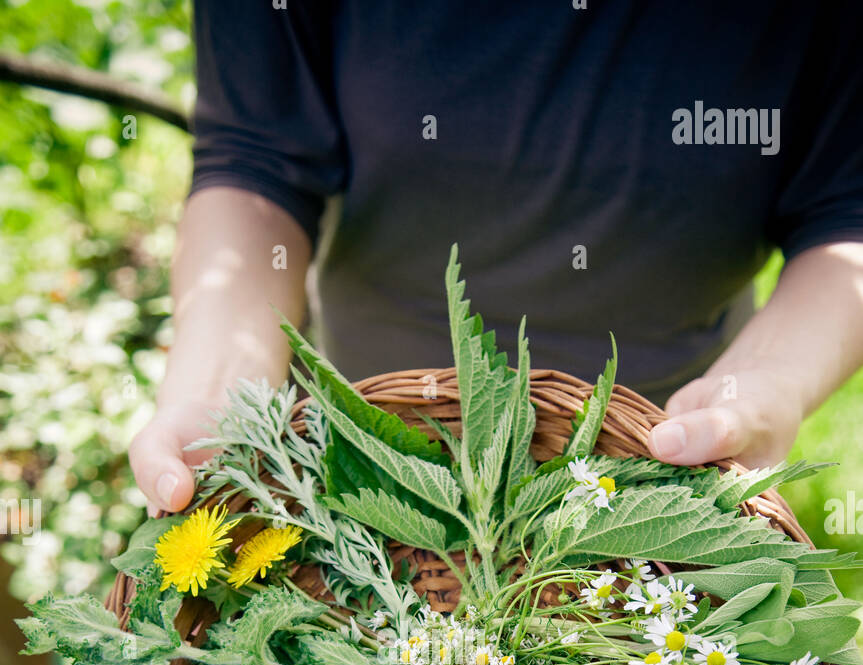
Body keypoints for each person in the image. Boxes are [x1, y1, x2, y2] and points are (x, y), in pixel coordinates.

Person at [130, 0, 863, 513]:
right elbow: (258, 158)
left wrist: (765, 386)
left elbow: (846, 214)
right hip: (375, 447)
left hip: (657, 460)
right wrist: (220, 394)